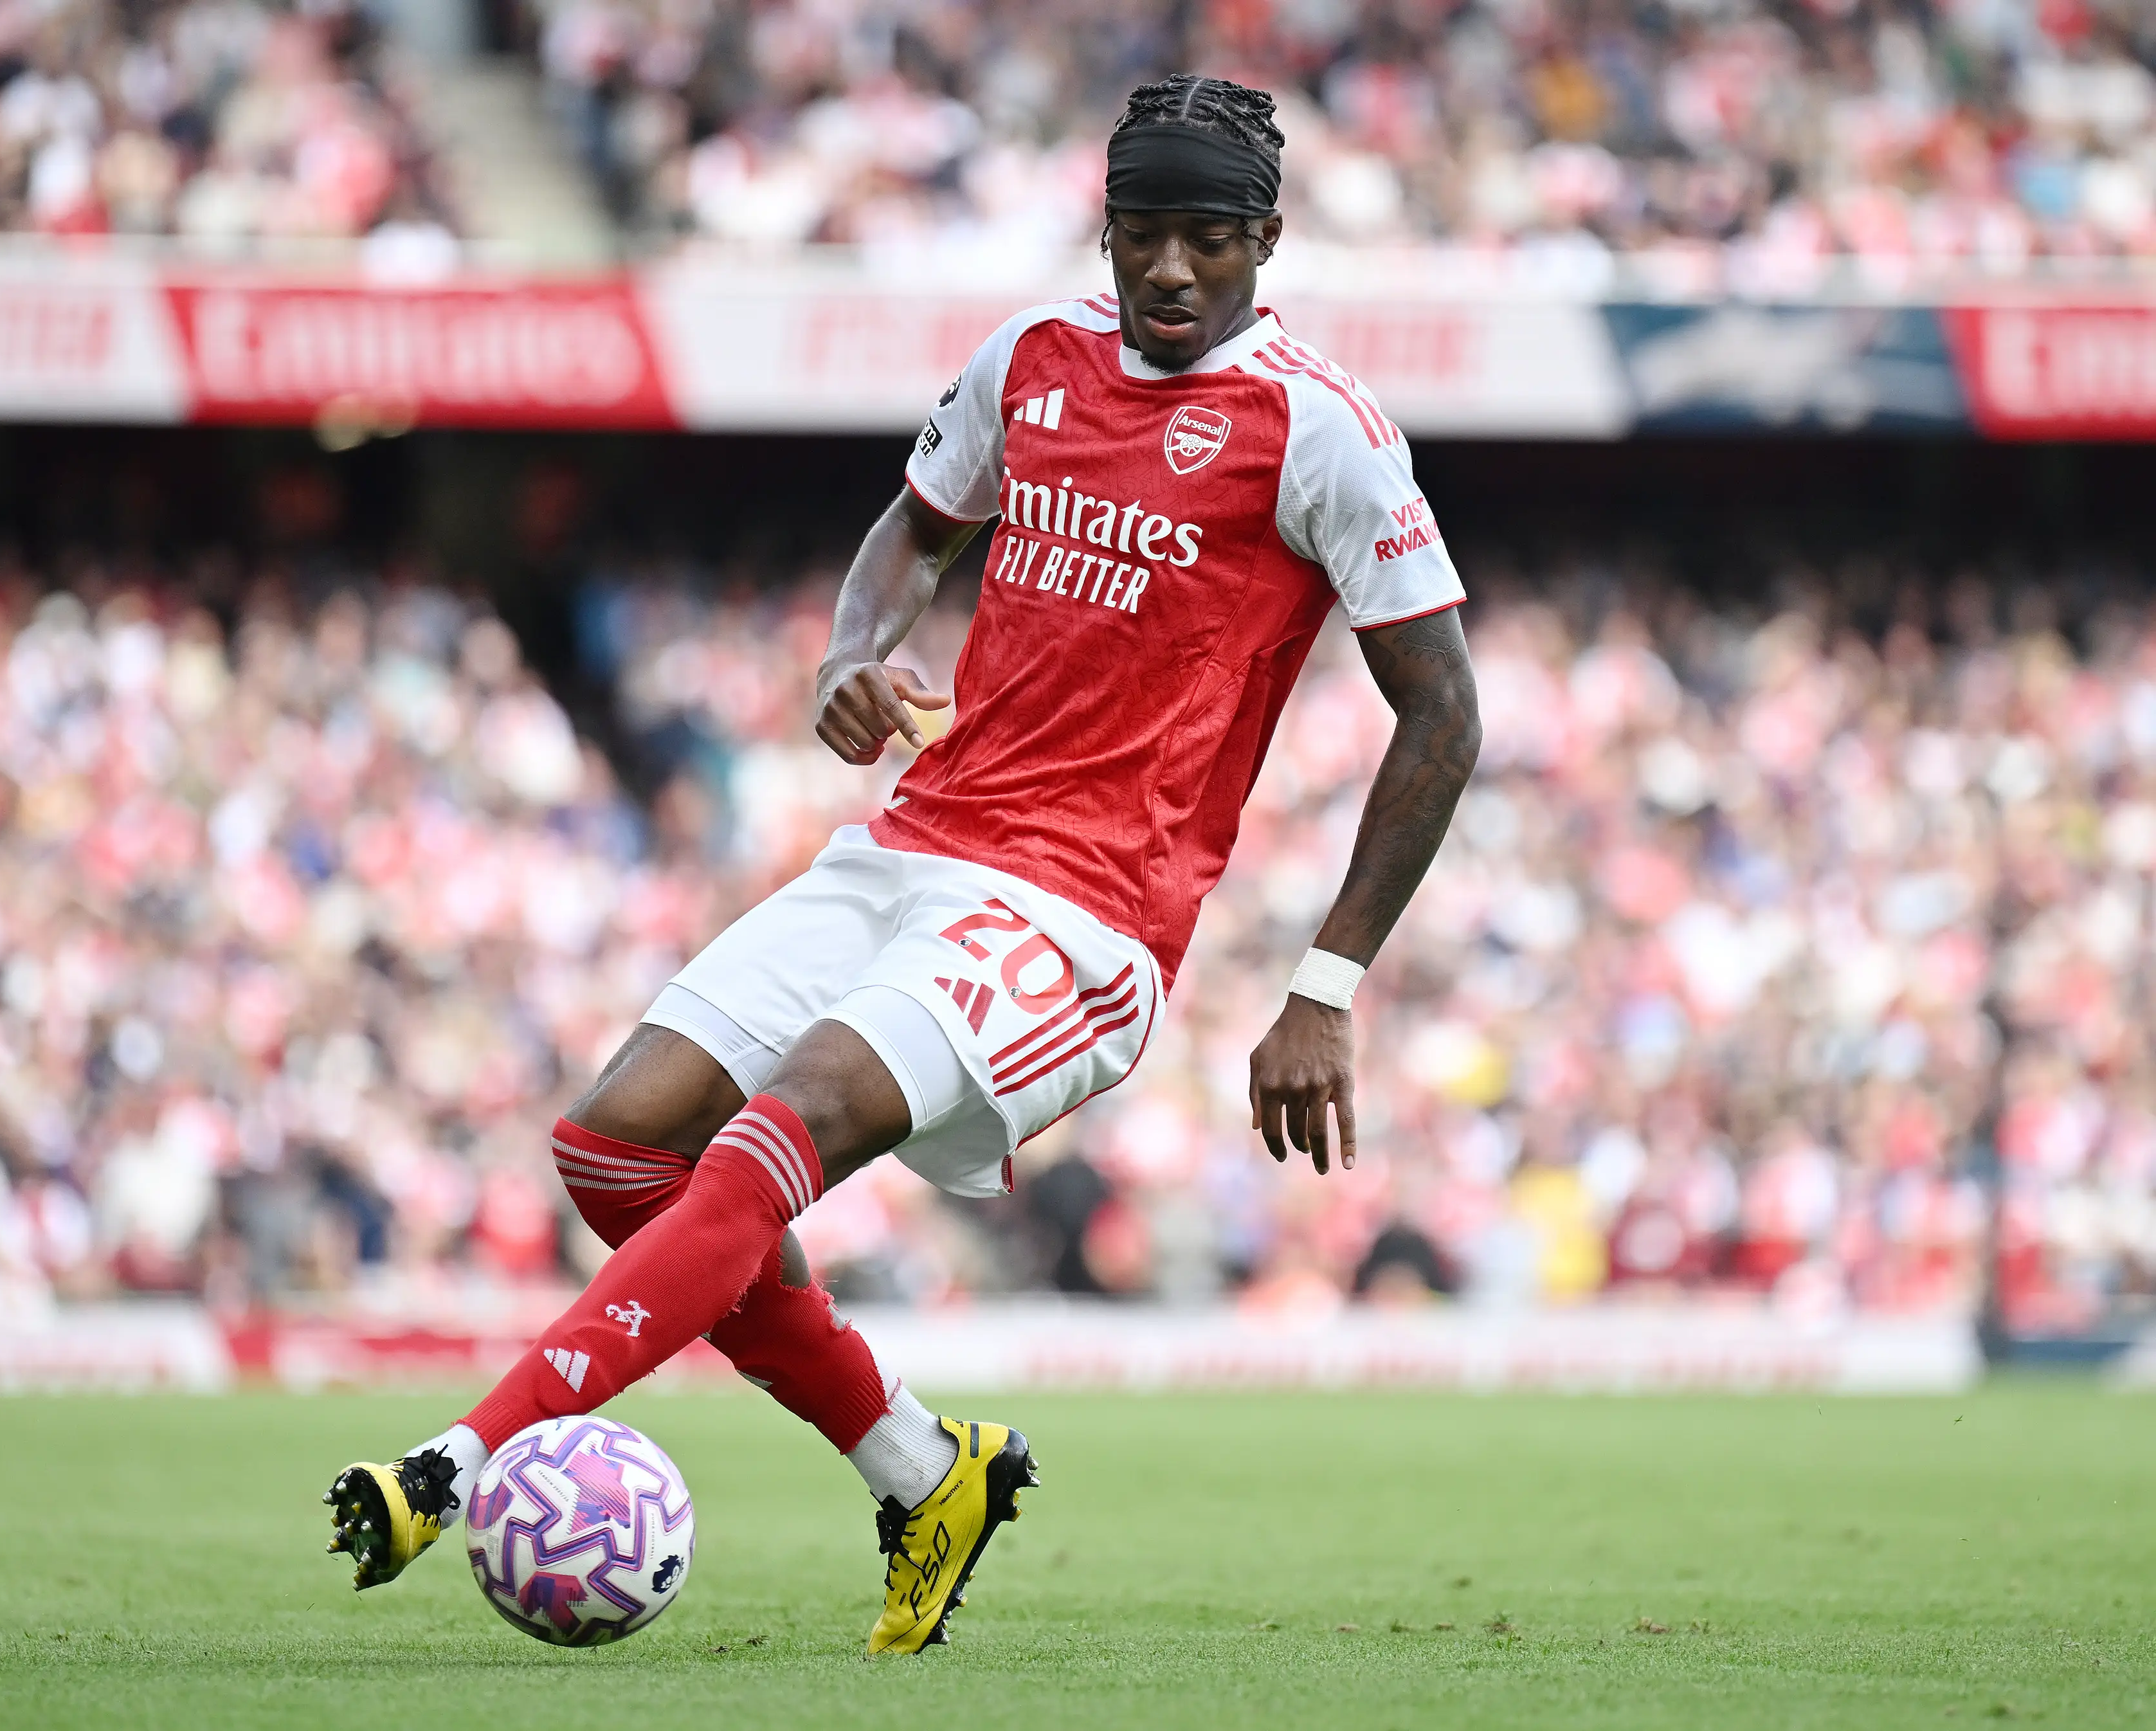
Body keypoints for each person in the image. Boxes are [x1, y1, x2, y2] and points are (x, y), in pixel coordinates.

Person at [323, 71, 1481, 1654]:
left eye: (1207, 242)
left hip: (1083, 916)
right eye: (1142, 234)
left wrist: (1325, 982)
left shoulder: (1323, 432)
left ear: (1264, 242)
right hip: (916, 843)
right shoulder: (1031, 359)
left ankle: (462, 1454)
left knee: (781, 1128)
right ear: (1108, 229)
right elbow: (911, 531)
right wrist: (851, 658)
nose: (1168, 272)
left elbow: (1445, 712)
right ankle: (921, 1467)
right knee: (613, 1149)